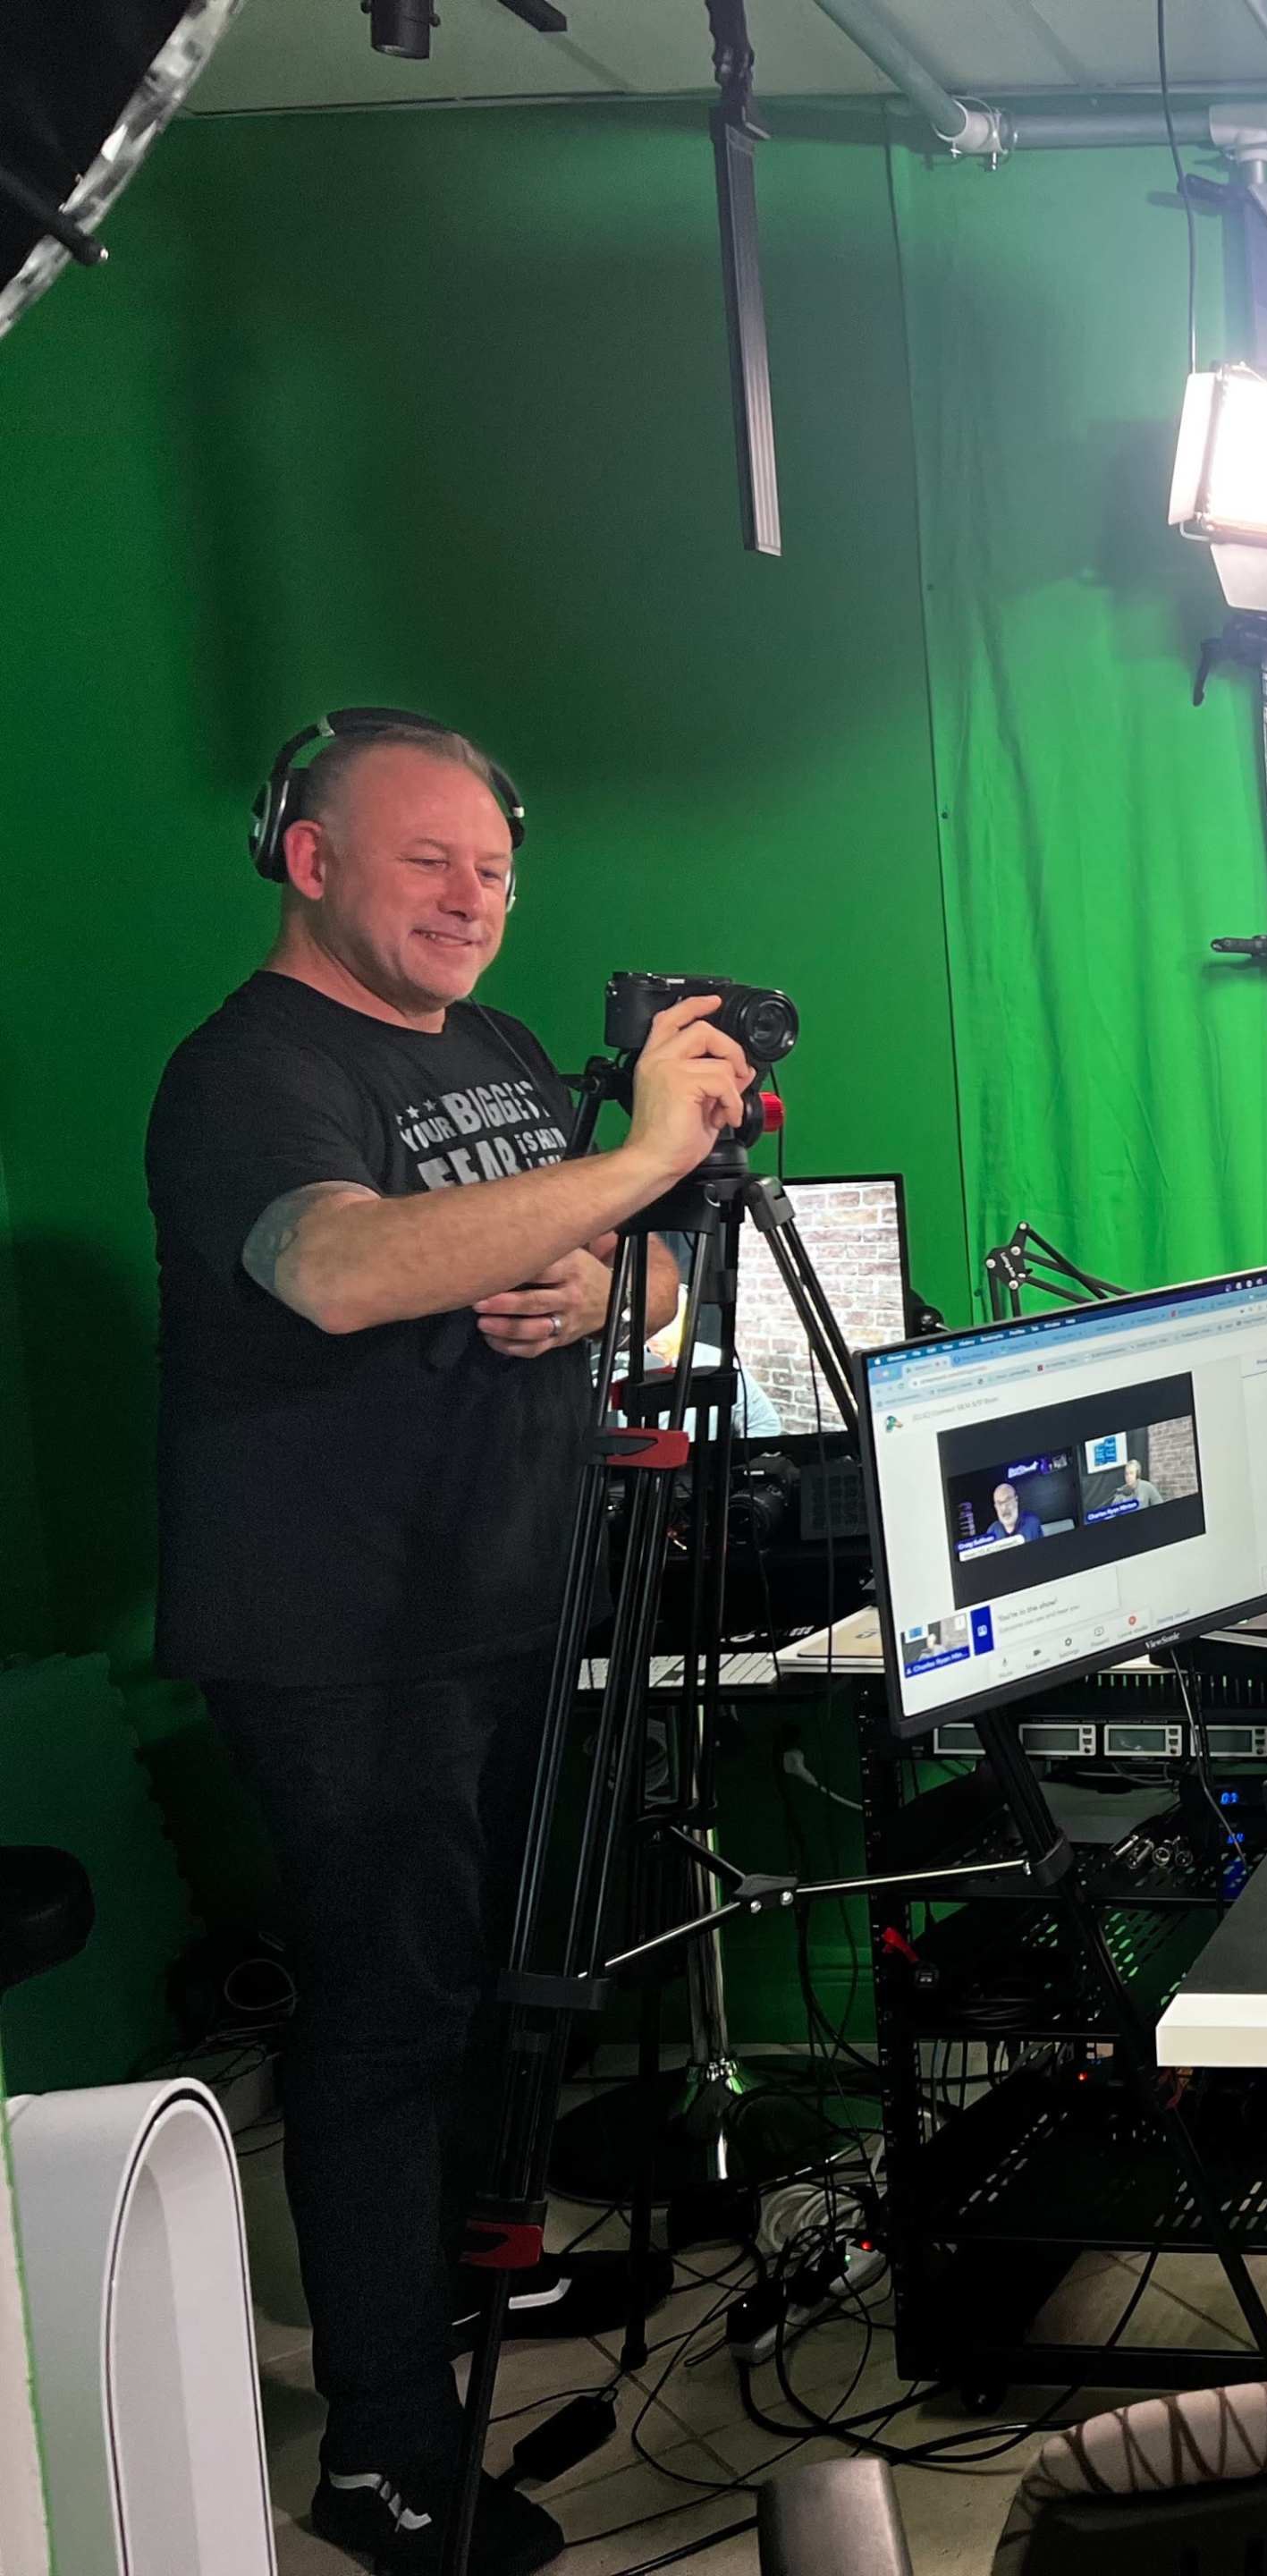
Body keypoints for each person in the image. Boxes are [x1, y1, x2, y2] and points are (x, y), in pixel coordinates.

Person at [149, 716, 754, 2576]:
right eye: (427, 861)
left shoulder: (491, 1050)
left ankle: (464, 2300)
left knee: (503, 1998)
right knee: (389, 2031)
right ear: (307, 858)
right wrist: (644, 1152)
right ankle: (387, 2460)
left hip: (518, 1598)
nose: (472, 898)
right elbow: (337, 1268)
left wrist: (604, 1276)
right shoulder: (247, 1071)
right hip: (348, 1640)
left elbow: (646, 1265)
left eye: (492, 866)